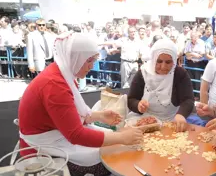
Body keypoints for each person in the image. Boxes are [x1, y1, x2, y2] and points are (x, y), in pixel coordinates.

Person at [18, 32, 143, 176]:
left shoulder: (62, 72)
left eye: (94, 60)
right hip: (41, 148)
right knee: (108, 155)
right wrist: (122, 138)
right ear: (74, 58)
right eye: (88, 60)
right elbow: (76, 135)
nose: (92, 66)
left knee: (112, 141)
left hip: (54, 132)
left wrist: (99, 116)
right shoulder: (55, 84)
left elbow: (68, 116)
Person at [127, 39, 194, 132]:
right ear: (153, 59)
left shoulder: (180, 74)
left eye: (168, 62)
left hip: (171, 120)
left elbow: (188, 100)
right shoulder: (143, 73)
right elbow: (131, 99)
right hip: (144, 120)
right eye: (159, 61)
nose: (163, 66)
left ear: (174, 61)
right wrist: (138, 105)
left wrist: (181, 114)